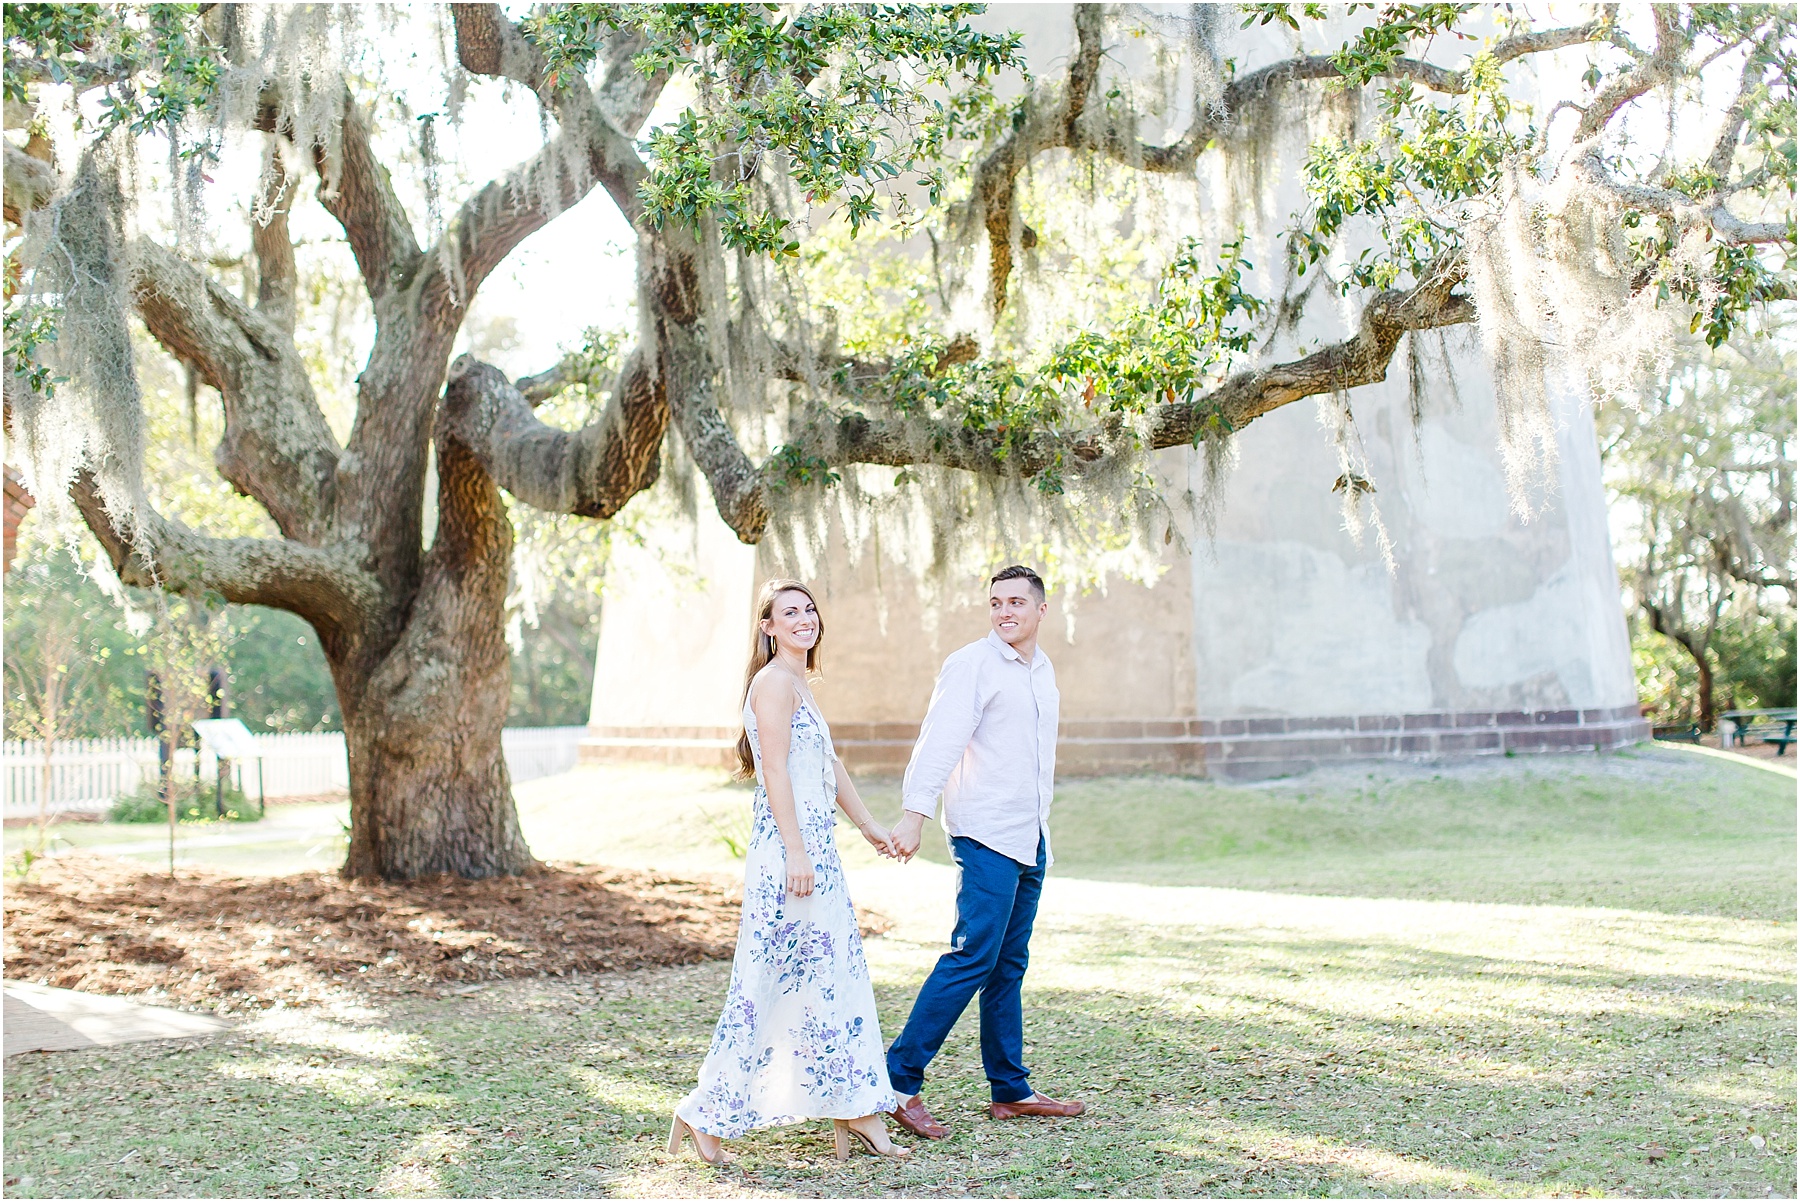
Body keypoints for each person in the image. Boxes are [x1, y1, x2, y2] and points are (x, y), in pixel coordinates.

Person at [670, 579, 912, 1166]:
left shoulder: (799, 682)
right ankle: (705, 1112)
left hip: (817, 852)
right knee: (767, 982)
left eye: (809, 610)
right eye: (789, 612)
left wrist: (870, 827)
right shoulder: (774, 684)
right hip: (790, 854)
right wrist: (796, 852)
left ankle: (856, 1108)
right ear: (769, 627)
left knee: (831, 976)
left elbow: (828, 766)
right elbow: (773, 772)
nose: (804, 619)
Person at [884, 565, 1087, 1139]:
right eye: (996, 602)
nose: (1005, 612)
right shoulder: (972, 664)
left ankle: (1011, 1089)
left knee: (1008, 965)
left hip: (1030, 835)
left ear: (1041, 610)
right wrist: (914, 814)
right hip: (986, 835)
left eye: (1017, 602)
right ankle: (898, 1082)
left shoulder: (1041, 672)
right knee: (972, 957)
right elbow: (941, 739)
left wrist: (1041, 832)